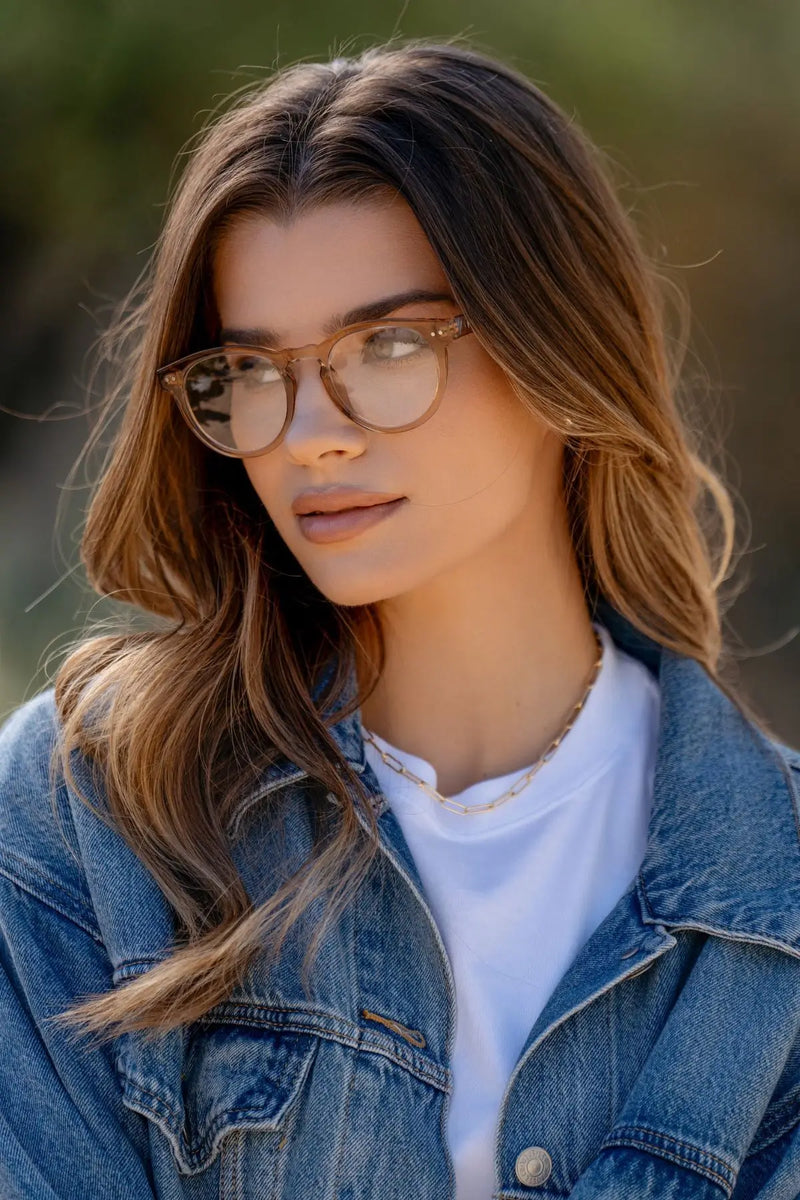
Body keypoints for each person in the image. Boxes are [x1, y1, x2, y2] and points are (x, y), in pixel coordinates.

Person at [1, 35, 798, 1200]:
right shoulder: (88, 815)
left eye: (387, 345)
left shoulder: (771, 897)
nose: (307, 432)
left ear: (556, 350)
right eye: (253, 370)